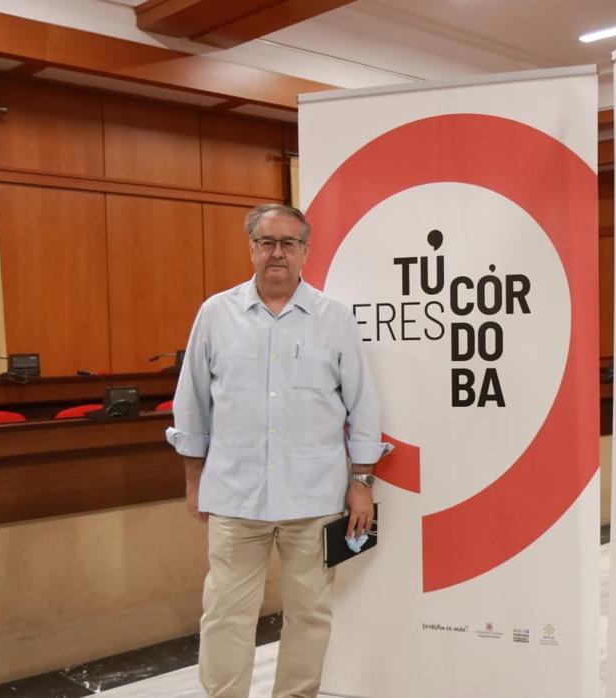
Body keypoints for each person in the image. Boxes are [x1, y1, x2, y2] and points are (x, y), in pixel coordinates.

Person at [166, 203, 390, 698]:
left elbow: (363, 406)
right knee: (225, 614)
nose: (277, 253)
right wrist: (192, 479)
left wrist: (363, 482)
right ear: (251, 249)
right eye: (267, 242)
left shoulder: (334, 319)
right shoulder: (215, 314)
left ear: (305, 252)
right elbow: (192, 403)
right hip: (234, 499)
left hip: (313, 500)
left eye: (289, 244)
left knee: (310, 615)